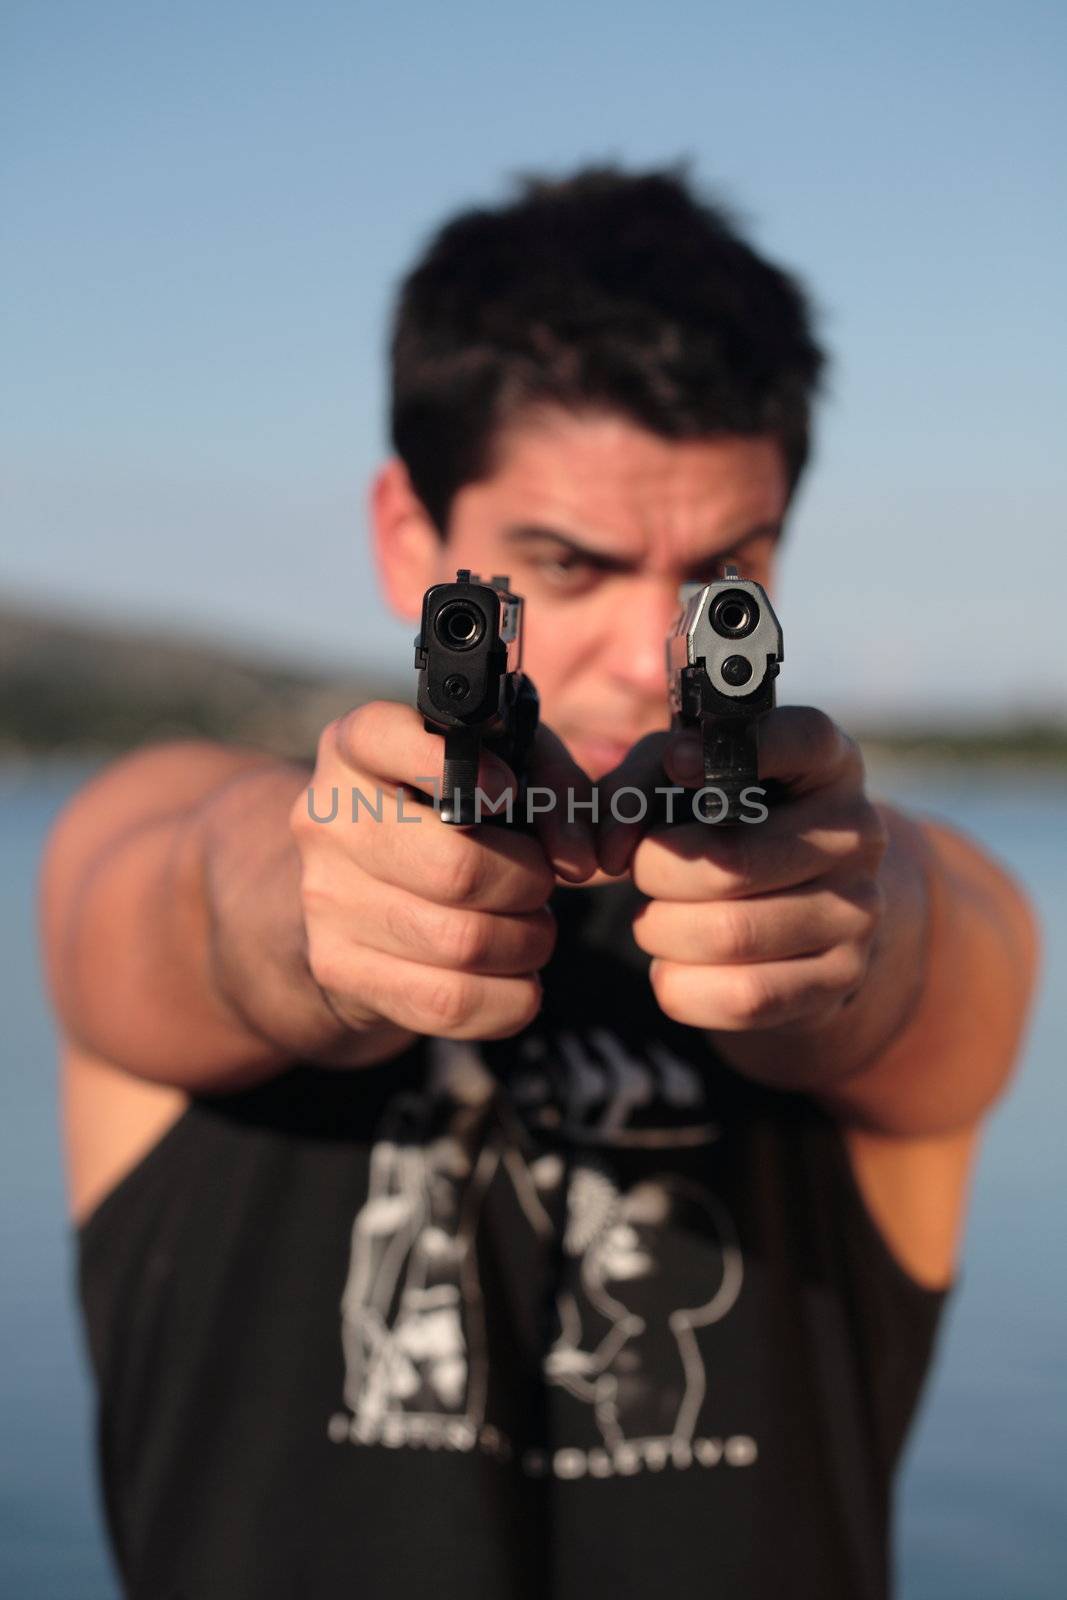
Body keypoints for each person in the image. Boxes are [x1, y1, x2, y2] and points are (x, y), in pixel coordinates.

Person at [41, 165, 1039, 1600]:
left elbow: (936, 949)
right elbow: (180, 888)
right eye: (567, 564)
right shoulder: (194, 816)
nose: (647, 653)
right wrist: (320, 910)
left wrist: (837, 942)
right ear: (408, 538)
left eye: (718, 576)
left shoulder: (869, 876)